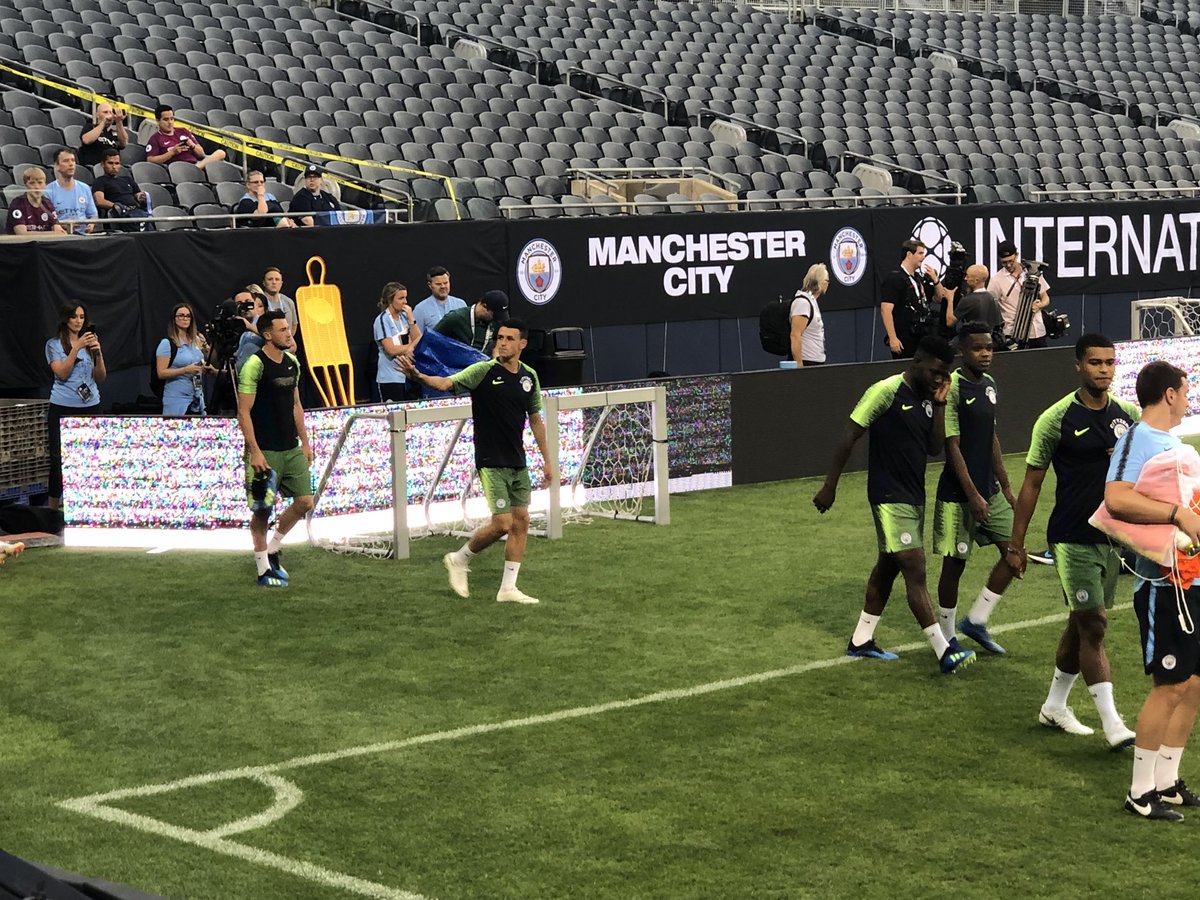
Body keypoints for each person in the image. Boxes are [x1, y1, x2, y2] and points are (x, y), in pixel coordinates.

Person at [812, 335, 977, 674]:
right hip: (888, 496)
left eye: (944, 374)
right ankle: (943, 651)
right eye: (935, 372)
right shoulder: (885, 391)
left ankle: (861, 640)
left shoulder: (930, 399)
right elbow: (849, 434)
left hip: (914, 496)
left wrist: (941, 405)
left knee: (888, 568)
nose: (939, 379)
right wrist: (830, 485)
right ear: (916, 362)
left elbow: (934, 448)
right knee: (914, 569)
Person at [1007, 333, 1139, 748]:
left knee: (1080, 623)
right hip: (1071, 537)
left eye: (1109, 362)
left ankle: (1053, 706)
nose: (1104, 369)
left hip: (1112, 539)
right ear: (1078, 365)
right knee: (1095, 625)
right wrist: (1016, 544)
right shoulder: (1056, 419)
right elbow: (1030, 484)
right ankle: (1113, 724)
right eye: (1095, 362)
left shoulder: (1129, 416)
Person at [1104, 361, 1200, 820]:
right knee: (1170, 685)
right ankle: (1140, 792)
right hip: (1166, 583)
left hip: (1193, 578)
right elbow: (1116, 498)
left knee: (1194, 684)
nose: (1188, 397)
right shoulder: (1136, 439)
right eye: (1185, 390)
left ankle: (1168, 781)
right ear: (1167, 394)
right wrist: (1175, 515)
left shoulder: (1172, 443)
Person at [401, 318, 552, 604]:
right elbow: (446, 383)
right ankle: (459, 559)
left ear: (522, 344)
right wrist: (419, 376)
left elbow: (535, 419)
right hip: (490, 459)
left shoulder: (529, 376)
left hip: (517, 461)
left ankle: (508, 589)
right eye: (500, 337)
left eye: (509, 338)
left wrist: (547, 460)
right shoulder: (482, 371)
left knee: (521, 521)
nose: (503, 342)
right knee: (502, 523)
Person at [932, 322, 1018, 654]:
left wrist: (1005, 486)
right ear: (962, 351)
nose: (985, 354)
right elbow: (951, 446)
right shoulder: (952, 387)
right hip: (958, 495)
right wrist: (972, 495)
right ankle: (947, 636)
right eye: (977, 348)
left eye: (989, 348)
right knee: (954, 566)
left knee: (1014, 556)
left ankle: (977, 620)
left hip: (991, 491)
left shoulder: (991, 385)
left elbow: (991, 438)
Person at [236, 310, 314, 588]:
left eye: (287, 328)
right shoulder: (254, 365)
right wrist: (254, 451)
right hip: (265, 451)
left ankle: (274, 546)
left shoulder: (292, 362)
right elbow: (243, 413)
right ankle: (262, 569)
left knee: (305, 502)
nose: (288, 333)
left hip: (290, 447)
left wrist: (305, 442)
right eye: (282, 330)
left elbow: (296, 405)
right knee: (262, 510)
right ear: (267, 335)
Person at [45, 301, 105, 510]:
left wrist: (98, 353)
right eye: (74, 317)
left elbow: (101, 376)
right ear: (66, 319)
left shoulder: (90, 342)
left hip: (91, 405)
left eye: (81, 317)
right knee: (58, 460)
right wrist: (76, 348)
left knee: (92, 458)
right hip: (63, 406)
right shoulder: (54, 345)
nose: (78, 321)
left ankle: (89, 504)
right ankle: (53, 510)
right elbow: (61, 373)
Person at [878, 238, 950, 359]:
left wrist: (935, 280)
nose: (923, 257)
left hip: (921, 336)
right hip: (904, 338)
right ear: (909, 254)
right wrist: (893, 338)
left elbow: (939, 298)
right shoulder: (895, 279)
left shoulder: (919, 279)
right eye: (920, 253)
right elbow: (886, 310)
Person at [988, 240, 1050, 348]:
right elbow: (990, 306)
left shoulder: (1032, 272)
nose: (1008, 264)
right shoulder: (996, 280)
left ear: (1016, 255)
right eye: (1004, 262)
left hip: (1038, 331)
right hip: (1014, 334)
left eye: (1011, 261)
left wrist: (1039, 305)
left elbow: (1046, 298)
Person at [157, 303, 213, 416]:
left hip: (197, 396)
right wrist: (185, 370)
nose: (185, 318)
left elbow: (211, 360)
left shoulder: (196, 340)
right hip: (176, 397)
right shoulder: (167, 344)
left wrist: (206, 346)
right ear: (174, 319)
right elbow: (161, 373)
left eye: (188, 316)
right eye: (181, 315)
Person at [373, 281, 422, 401]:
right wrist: (410, 347)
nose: (405, 302)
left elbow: (419, 340)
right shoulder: (382, 320)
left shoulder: (405, 317)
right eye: (401, 298)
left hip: (408, 376)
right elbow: (391, 350)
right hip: (390, 378)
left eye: (406, 298)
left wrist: (412, 319)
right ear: (390, 300)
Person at [145, 104, 226, 171]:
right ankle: (195, 170)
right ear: (158, 121)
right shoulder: (155, 138)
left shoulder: (183, 131)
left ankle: (196, 169)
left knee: (221, 153)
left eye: (172, 119)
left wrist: (192, 145)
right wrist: (172, 153)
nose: (170, 122)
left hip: (195, 163)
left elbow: (201, 154)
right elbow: (150, 160)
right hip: (177, 168)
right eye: (166, 119)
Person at [91, 147, 150, 232]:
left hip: (136, 212)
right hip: (119, 215)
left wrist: (142, 197)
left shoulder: (127, 179)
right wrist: (117, 206)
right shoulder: (100, 181)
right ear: (103, 164)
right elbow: (99, 201)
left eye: (117, 163)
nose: (114, 167)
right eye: (110, 163)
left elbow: (137, 194)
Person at [433, 290, 509, 355]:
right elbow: (432, 339)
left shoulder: (497, 321)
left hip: (483, 367)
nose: (495, 319)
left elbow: (497, 344)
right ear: (484, 306)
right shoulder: (456, 317)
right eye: (494, 315)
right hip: (457, 367)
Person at [43, 148, 97, 236]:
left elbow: (93, 215)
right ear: (57, 166)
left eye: (73, 160)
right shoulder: (48, 191)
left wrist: (92, 224)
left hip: (84, 236)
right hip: (61, 237)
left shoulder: (85, 188)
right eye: (66, 161)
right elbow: (47, 219)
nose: (71, 164)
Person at [789, 263, 829, 367]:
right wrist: (799, 365)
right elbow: (795, 335)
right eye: (827, 281)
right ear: (820, 282)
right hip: (807, 363)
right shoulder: (803, 303)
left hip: (815, 362)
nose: (828, 284)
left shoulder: (811, 301)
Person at [6, 166, 65, 236]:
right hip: (22, 246)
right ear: (26, 185)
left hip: (44, 245)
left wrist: (57, 232)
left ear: (45, 185)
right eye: (32, 183)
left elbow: (59, 231)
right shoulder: (17, 204)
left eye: (40, 183)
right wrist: (52, 233)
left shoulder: (47, 204)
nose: (37, 187)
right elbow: (22, 234)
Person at [946, 264, 1002, 334]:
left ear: (976, 280)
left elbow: (950, 322)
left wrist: (950, 299)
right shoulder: (993, 297)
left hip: (973, 342)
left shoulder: (968, 300)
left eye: (968, 276)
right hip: (990, 342)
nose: (965, 278)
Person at [411, 266, 467, 334]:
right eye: (438, 284)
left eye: (446, 283)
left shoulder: (461, 304)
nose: (443, 286)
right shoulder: (420, 309)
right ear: (430, 285)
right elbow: (416, 338)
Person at [77, 100, 128, 167]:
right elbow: (86, 140)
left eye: (110, 112)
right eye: (105, 112)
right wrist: (103, 122)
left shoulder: (114, 132)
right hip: (93, 167)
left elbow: (124, 144)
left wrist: (119, 122)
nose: (109, 115)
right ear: (97, 115)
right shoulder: (90, 127)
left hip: (112, 168)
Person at [262, 266, 299, 334]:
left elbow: (294, 325)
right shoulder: (259, 302)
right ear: (264, 283)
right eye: (270, 279)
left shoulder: (289, 302)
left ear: (281, 283)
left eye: (277, 279)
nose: (274, 282)